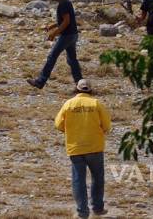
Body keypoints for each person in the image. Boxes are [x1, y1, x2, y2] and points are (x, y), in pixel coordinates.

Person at [55, 79, 112, 218]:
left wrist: (70, 131)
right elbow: (107, 126)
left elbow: (58, 124)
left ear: (77, 89)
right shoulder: (96, 103)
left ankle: (82, 212)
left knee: (78, 180)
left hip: (75, 148)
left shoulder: (68, 104)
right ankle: (97, 208)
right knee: (97, 178)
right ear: (90, 90)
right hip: (95, 147)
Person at [27, 0, 83, 89]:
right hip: (73, 35)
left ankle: (40, 81)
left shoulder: (62, 4)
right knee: (72, 60)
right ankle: (80, 83)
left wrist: (54, 33)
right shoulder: (66, 2)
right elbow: (63, 20)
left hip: (67, 36)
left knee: (52, 57)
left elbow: (66, 22)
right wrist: (51, 26)